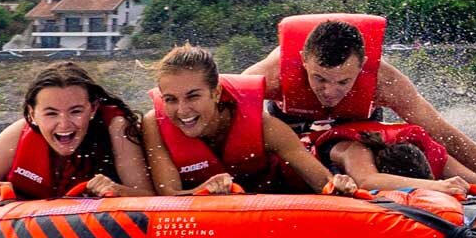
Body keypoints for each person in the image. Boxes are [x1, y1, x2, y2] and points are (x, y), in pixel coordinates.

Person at [243, 14, 476, 197]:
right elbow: (219, 116)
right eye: (319, 78)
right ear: (304, 59)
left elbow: (442, 134)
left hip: (357, 143)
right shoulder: (273, 73)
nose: (330, 92)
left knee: (418, 138)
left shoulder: (383, 81)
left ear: (362, 67)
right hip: (294, 146)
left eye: (343, 82)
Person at [142, 45, 363, 196]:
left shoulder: (264, 127)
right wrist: (203, 191)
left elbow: (322, 182)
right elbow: (168, 195)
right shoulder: (154, 125)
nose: (182, 110)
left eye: (193, 96)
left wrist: (338, 185)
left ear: (216, 93)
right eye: (170, 100)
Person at [0, 62, 153, 207]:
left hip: (91, 220)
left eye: (76, 111)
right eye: (51, 113)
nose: (64, 124)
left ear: (93, 108)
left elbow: (149, 197)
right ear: (33, 114)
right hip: (23, 213)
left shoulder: (116, 129)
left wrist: (118, 190)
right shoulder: (16, 135)